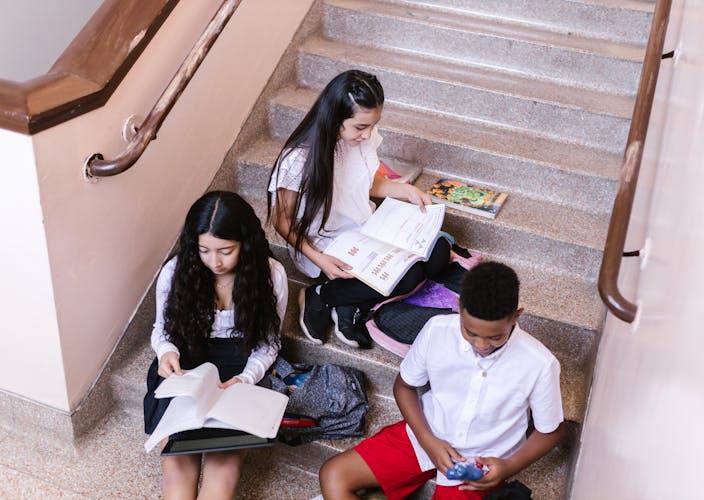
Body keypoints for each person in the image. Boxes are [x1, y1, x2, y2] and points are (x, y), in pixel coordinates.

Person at [318, 262, 564, 499]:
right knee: (334, 475)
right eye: (470, 332)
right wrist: (428, 441)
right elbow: (404, 387)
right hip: (427, 433)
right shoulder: (437, 329)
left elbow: (549, 432)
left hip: (481, 462)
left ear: (516, 316)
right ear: (458, 307)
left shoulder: (539, 363)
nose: (481, 346)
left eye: (495, 337)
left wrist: (508, 467)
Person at [268, 69, 450, 349]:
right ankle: (320, 295)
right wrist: (319, 259)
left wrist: (406, 191)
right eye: (360, 127)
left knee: (437, 251)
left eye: (372, 125)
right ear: (334, 119)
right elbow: (281, 220)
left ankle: (345, 302)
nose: (367, 135)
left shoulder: (361, 138)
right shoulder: (299, 160)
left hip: (366, 228)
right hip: (325, 245)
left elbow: (363, 182)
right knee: (410, 275)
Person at [143, 191, 288, 500]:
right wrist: (167, 352)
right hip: (186, 366)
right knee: (177, 474)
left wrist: (245, 379)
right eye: (204, 250)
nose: (214, 262)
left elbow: (268, 343)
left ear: (245, 244)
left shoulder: (271, 275)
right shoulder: (176, 271)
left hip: (241, 367)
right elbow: (161, 330)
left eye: (226, 250)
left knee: (222, 478)